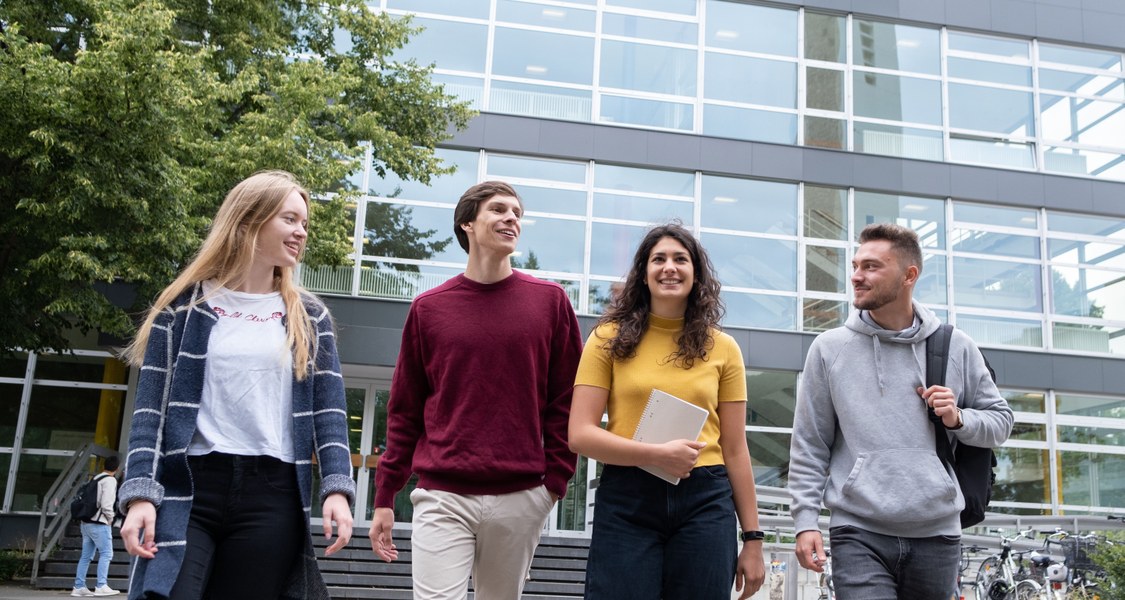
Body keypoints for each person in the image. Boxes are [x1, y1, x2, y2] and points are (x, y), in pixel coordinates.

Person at [117, 170, 355, 600]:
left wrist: (338, 487)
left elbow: (330, 415)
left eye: (304, 223)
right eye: (290, 219)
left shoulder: (310, 318)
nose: (301, 232)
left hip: (273, 493)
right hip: (189, 488)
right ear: (248, 222)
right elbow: (149, 414)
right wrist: (139, 495)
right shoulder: (182, 310)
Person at [368, 180, 584, 600]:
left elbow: (566, 400)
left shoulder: (550, 302)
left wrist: (554, 482)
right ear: (467, 222)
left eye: (517, 213)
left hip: (521, 496)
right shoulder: (429, 309)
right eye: (499, 210)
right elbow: (405, 410)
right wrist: (385, 495)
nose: (512, 219)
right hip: (442, 493)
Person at [788, 223, 1014, 600]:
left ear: (910, 275)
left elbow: (1001, 422)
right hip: (857, 530)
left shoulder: (954, 345)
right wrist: (804, 521)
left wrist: (959, 418)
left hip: (937, 533)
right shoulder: (829, 348)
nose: (857, 277)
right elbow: (810, 443)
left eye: (872, 267)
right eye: (856, 265)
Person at [568, 222, 766, 600]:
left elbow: (736, 448)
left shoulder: (723, 348)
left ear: (696, 274)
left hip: (706, 500)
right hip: (629, 497)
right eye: (658, 259)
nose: (669, 267)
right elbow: (580, 434)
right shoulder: (606, 339)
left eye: (681, 259)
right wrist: (657, 455)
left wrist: (753, 539)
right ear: (644, 273)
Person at [72, 455, 121, 597]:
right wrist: (111, 519)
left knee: (85, 556)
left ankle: (79, 587)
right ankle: (101, 586)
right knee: (107, 553)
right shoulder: (110, 480)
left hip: (86, 522)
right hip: (99, 523)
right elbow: (106, 504)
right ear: (116, 469)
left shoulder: (96, 478)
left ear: (104, 466)